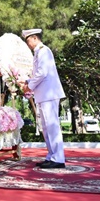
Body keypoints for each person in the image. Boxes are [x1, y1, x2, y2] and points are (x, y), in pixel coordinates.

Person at [19, 28, 66, 169]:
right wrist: (27, 82)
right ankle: (52, 156)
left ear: (35, 38)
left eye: (28, 41)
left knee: (52, 126)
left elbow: (42, 73)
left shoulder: (44, 51)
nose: (28, 44)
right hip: (44, 94)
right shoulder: (38, 52)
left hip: (49, 94)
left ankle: (58, 158)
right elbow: (38, 74)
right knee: (46, 128)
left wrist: (29, 86)